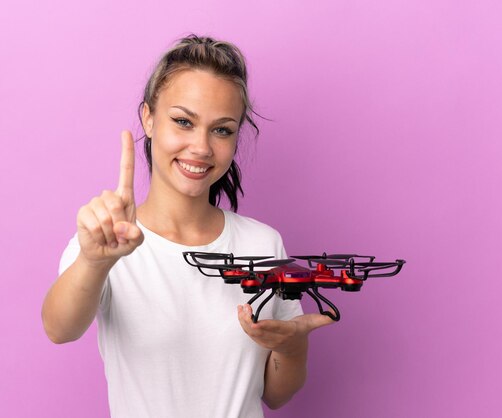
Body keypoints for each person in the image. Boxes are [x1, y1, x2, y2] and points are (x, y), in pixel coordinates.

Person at [41, 34, 334, 418]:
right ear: (148, 117)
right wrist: (96, 261)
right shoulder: (107, 239)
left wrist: (293, 347)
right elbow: (59, 329)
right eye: (183, 121)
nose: (201, 147)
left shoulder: (262, 243)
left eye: (222, 129)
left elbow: (276, 395)